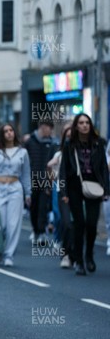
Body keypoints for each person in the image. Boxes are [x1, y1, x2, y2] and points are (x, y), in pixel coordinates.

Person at [59, 113, 109, 276]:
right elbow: (63, 171)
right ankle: (79, 261)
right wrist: (64, 192)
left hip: (94, 186)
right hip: (75, 187)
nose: (85, 125)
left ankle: (89, 255)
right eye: (81, 122)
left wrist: (107, 190)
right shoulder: (69, 145)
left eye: (87, 122)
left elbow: (103, 168)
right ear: (76, 126)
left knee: (92, 224)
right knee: (79, 224)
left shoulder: (99, 143)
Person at [0, 124, 32, 267]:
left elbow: (26, 174)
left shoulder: (23, 152)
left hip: (16, 189)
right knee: (2, 224)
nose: (9, 133)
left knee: (13, 224)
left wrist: (28, 193)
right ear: (2, 135)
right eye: (6, 131)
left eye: (11, 131)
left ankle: (9, 255)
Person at [25, 121, 58, 245]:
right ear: (43, 128)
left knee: (43, 207)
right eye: (49, 129)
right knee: (33, 207)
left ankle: (42, 231)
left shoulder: (52, 143)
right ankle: (35, 230)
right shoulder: (29, 142)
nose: (50, 132)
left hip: (46, 180)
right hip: (32, 179)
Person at [47, 125, 74, 268]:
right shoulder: (59, 153)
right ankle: (63, 248)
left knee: (77, 224)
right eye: (67, 136)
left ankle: (76, 253)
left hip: (78, 192)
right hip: (60, 189)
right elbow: (49, 168)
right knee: (62, 219)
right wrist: (50, 174)